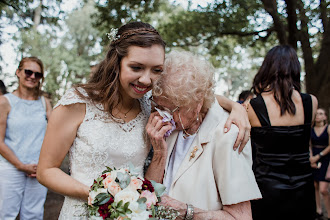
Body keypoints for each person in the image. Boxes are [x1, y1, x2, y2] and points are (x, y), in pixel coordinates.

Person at [36, 22, 250, 219]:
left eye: (156, 70)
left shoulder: (151, 104)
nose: (146, 79)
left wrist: (236, 108)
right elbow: (46, 171)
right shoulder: (77, 103)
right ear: (116, 63)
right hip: (84, 210)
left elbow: (194, 96)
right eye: (136, 68)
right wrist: (101, 196)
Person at [145, 50, 262, 219]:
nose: (164, 116)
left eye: (171, 110)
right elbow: (148, 196)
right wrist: (159, 153)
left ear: (197, 103)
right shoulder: (172, 127)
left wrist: (188, 212)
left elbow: (241, 217)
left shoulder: (227, 135)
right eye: (158, 107)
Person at [248, 45, 318, 220]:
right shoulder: (311, 102)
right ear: (295, 68)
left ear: (267, 68)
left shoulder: (253, 106)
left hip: (266, 189)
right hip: (304, 188)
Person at [0, 57, 52, 219]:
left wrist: (44, 163)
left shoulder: (44, 103)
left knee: (33, 214)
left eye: (38, 74)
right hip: (11, 168)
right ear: (18, 72)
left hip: (38, 168)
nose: (32, 77)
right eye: (28, 72)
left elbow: (54, 135)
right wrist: (21, 165)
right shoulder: (5, 102)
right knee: (7, 213)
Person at [310, 108, 330, 219]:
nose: (318, 115)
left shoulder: (328, 129)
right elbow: (309, 145)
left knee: (323, 189)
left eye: (321, 113)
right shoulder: (311, 129)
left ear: (325, 117)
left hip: (325, 158)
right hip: (313, 158)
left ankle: (329, 212)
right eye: (316, 114)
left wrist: (319, 156)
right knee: (315, 186)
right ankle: (319, 210)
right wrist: (311, 158)